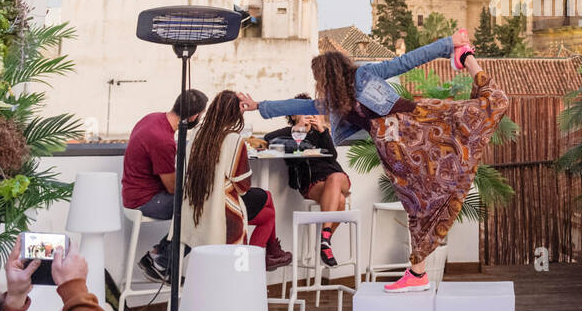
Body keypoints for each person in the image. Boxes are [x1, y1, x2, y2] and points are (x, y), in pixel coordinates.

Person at [240, 28, 508, 293]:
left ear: (326, 76)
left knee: (489, 108)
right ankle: (418, 272)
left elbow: (405, 62)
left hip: (415, 129)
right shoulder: (337, 99)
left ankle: (465, 56)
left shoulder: (364, 77)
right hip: (403, 146)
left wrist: (449, 43)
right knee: (419, 203)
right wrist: (260, 106)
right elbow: (299, 106)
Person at [180, 90, 291, 269]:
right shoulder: (233, 139)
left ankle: (267, 254)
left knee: (268, 212)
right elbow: (243, 186)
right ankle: (254, 262)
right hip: (222, 210)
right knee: (268, 206)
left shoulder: (198, 134)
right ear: (236, 113)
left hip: (198, 207)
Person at [121, 89, 208, 283]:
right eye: (201, 115)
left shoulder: (152, 118)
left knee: (197, 206)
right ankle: (163, 262)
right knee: (204, 211)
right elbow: (172, 188)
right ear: (195, 115)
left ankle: (157, 255)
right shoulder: (162, 140)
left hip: (132, 193)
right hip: (145, 200)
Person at [263, 93, 351, 266]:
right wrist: (298, 129)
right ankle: (325, 242)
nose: (307, 114)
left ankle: (324, 237)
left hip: (339, 178)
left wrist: (323, 130)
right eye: (301, 111)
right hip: (312, 182)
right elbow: (267, 139)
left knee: (335, 178)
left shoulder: (321, 132)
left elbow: (332, 155)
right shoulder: (289, 133)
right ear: (292, 115)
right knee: (339, 200)